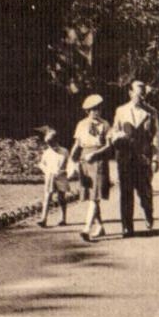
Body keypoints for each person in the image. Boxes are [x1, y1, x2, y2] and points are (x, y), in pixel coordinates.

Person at [110, 79, 159, 236]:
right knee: (126, 192)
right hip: (125, 156)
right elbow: (113, 131)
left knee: (145, 191)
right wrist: (119, 136)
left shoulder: (152, 112)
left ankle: (148, 213)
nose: (141, 97)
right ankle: (127, 226)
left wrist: (155, 158)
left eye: (143, 94)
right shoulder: (121, 110)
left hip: (143, 156)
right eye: (138, 94)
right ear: (130, 93)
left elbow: (157, 137)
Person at [70, 94, 112, 242]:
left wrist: (95, 153)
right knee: (91, 197)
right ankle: (99, 226)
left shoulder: (105, 124)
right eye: (92, 109)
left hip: (99, 160)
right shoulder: (81, 124)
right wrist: (72, 162)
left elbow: (109, 146)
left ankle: (87, 228)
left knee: (95, 196)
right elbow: (77, 145)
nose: (96, 112)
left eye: (98, 109)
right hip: (84, 160)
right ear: (87, 111)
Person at [37, 126, 72, 227]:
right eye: (48, 143)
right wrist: (46, 170)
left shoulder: (64, 151)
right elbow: (41, 164)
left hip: (61, 176)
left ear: (56, 140)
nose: (50, 145)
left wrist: (66, 171)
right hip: (50, 176)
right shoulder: (47, 152)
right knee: (47, 196)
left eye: (51, 142)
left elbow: (70, 164)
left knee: (61, 197)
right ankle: (44, 219)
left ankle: (63, 218)